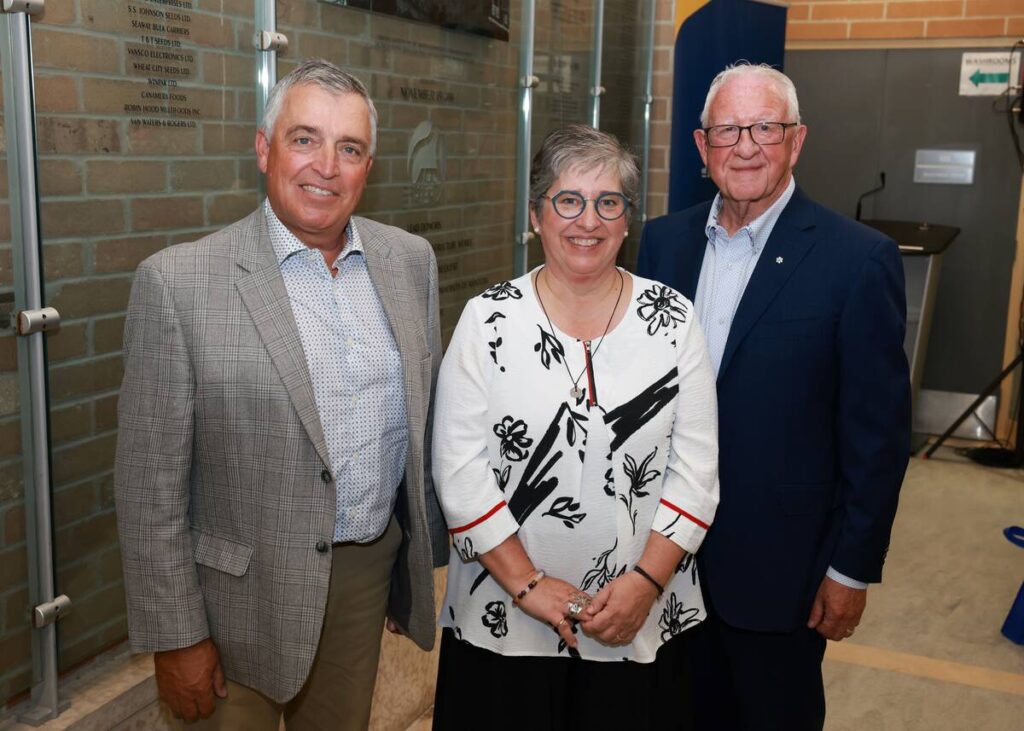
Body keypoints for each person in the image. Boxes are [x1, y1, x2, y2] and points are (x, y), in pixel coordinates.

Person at [114, 59, 447, 730]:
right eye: (304, 139)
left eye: (348, 148)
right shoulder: (178, 284)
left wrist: (406, 567)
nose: (326, 165)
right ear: (264, 148)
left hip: (360, 578)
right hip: (233, 599)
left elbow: (418, 426)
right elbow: (149, 488)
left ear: (369, 165)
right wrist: (177, 634)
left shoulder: (410, 262)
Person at [637, 63, 911, 730]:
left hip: (780, 578)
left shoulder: (857, 260)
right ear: (702, 148)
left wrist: (850, 568)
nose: (748, 146)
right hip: (660, 565)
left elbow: (877, 436)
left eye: (766, 127)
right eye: (729, 130)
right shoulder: (662, 243)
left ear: (797, 140)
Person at [430, 124, 719, 729]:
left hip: (641, 617)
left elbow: (696, 473)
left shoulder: (673, 321)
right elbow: (458, 473)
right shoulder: (487, 321)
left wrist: (643, 584)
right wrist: (530, 585)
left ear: (626, 218)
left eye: (608, 202)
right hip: (503, 617)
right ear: (537, 214)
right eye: (568, 200)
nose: (588, 220)